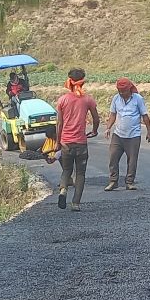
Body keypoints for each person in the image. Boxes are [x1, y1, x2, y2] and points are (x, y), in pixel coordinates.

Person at [53, 68, 100, 211]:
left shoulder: (62, 100)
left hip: (66, 142)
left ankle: (63, 190)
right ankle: (76, 203)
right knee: (80, 173)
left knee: (66, 170)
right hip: (81, 142)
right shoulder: (88, 100)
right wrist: (94, 131)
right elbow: (96, 119)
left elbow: (59, 124)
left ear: (69, 81)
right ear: (83, 82)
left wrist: (57, 142)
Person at [105, 78, 150, 191]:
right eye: (119, 91)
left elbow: (145, 116)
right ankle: (113, 181)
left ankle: (129, 182)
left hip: (133, 135)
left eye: (124, 91)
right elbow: (113, 115)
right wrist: (108, 128)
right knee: (113, 158)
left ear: (129, 89)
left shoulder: (138, 99)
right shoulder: (116, 98)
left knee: (132, 160)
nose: (121, 93)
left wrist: (149, 132)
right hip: (118, 134)